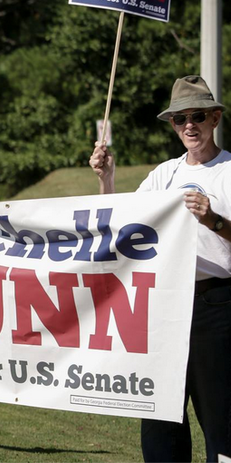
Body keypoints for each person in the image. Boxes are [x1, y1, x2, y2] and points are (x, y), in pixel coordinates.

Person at [89, 75, 231, 463]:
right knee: (158, 416)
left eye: (197, 116)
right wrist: (107, 179)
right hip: (163, 307)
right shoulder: (163, 174)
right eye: (178, 118)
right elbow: (124, 224)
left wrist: (214, 220)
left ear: (215, 118)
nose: (189, 125)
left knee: (220, 418)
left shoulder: (228, 172)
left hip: (214, 305)